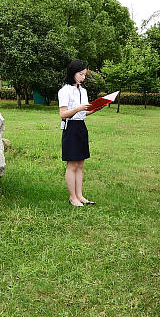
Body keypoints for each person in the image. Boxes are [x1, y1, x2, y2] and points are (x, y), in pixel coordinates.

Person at [58, 60, 97, 207]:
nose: (83, 77)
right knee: (72, 164)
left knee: (80, 164)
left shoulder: (83, 90)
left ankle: (80, 196)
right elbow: (63, 114)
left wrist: (94, 109)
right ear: (72, 73)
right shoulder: (64, 91)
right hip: (70, 128)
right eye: (81, 74)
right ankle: (72, 197)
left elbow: (83, 113)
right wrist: (79, 108)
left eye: (85, 75)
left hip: (81, 126)